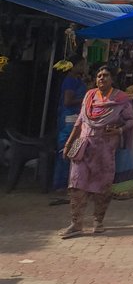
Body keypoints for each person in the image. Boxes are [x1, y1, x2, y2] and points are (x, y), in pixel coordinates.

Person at [62, 65, 133, 238]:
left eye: (106, 75)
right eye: (99, 76)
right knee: (76, 185)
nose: (101, 78)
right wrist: (68, 144)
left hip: (105, 150)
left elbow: (130, 121)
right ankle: (76, 224)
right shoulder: (89, 96)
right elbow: (79, 121)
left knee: (102, 187)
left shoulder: (120, 99)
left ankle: (98, 221)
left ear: (112, 79)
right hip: (84, 147)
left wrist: (119, 131)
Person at [53, 57, 87, 192]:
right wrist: (84, 100)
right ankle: (60, 184)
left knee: (74, 150)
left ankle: (69, 182)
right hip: (69, 119)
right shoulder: (70, 81)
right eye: (82, 65)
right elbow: (67, 101)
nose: (85, 67)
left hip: (75, 118)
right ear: (73, 67)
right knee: (65, 150)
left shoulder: (77, 80)